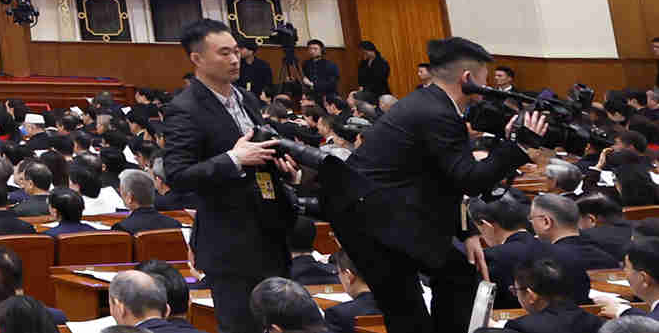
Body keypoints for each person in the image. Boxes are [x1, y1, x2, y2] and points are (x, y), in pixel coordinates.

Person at [337, 36, 539, 333]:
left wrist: (466, 231)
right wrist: (518, 148)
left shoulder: (431, 103)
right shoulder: (437, 113)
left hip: (383, 213)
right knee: (419, 306)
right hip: (377, 220)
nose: (488, 87)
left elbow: (446, 179)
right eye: (485, 79)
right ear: (468, 78)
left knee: (457, 275)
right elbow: (469, 180)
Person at [163, 18, 301, 331]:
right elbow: (178, 174)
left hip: (271, 232)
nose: (235, 59)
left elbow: (259, 156)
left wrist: (284, 171)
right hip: (230, 243)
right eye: (224, 53)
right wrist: (233, 159)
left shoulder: (246, 99)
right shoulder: (185, 108)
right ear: (197, 59)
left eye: (236, 51)